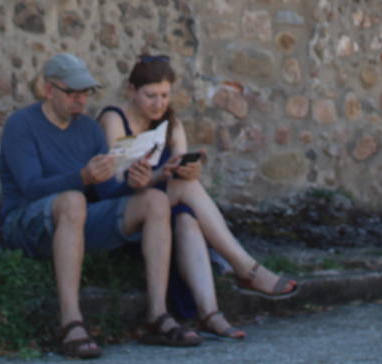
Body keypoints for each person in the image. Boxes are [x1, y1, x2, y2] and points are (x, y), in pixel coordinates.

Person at [0, 52, 201, 358]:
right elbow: (30, 188)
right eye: (73, 93)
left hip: (76, 219)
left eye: (85, 93)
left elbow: (107, 193)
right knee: (73, 200)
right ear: (49, 90)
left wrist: (134, 183)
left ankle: (157, 315)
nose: (81, 101)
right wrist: (81, 177)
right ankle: (70, 323)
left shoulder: (89, 130)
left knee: (155, 201)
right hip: (25, 223)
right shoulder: (21, 125)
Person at [98, 54, 300, 341]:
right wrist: (157, 178)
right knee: (185, 192)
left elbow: (184, 177)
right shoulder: (114, 119)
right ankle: (245, 268)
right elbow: (113, 183)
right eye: (150, 95)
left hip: (164, 211)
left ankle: (211, 314)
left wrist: (191, 170)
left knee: (187, 219)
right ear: (132, 91)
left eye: (165, 95)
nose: (158, 103)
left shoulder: (171, 123)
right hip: (123, 208)